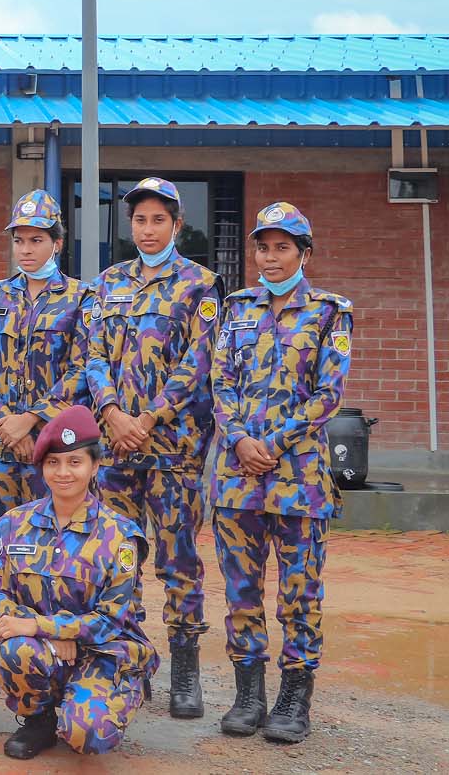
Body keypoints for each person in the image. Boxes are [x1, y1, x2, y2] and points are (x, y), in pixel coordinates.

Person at [210, 202, 351, 743]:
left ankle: (295, 697)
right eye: (263, 247)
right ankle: (249, 694)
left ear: (304, 253)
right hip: (237, 476)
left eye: (282, 248)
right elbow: (220, 385)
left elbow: (328, 395)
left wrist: (271, 442)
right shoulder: (236, 308)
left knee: (299, 591)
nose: (270, 257)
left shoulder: (330, 312)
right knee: (242, 590)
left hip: (299, 479)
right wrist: (241, 439)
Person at [82, 176, 220, 719]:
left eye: (157, 219)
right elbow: (93, 355)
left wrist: (149, 417)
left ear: (176, 225)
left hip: (174, 452)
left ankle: (186, 672)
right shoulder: (108, 283)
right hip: (116, 451)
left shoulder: (200, 286)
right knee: (119, 559)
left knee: (178, 562)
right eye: (139, 220)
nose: (146, 229)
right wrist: (113, 414)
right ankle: (127, 664)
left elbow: (198, 364)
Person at [0, 190, 89, 687]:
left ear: (57, 242)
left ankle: (52, 644)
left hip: (53, 453)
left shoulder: (81, 298)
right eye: (19, 240)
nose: (26, 249)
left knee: (52, 546)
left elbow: (83, 367)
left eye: (36, 240)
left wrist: (34, 419)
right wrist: (5, 422)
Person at [0, 405, 158, 759]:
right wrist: (41, 635)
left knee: (89, 737)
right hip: (42, 652)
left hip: (101, 652)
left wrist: (45, 628)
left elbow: (112, 619)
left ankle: (122, 690)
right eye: (53, 463)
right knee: (13, 648)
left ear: (95, 466)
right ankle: (39, 719)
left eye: (75, 462)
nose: (63, 472)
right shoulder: (15, 524)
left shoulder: (120, 536)